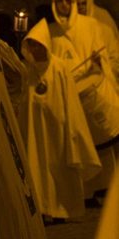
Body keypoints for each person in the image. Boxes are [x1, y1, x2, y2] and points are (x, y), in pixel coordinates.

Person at [19, 19, 100, 220]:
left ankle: (62, 209)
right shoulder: (28, 71)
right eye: (32, 45)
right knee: (38, 170)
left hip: (58, 131)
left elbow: (70, 102)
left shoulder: (60, 68)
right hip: (36, 133)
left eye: (39, 45)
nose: (36, 49)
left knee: (59, 172)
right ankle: (43, 210)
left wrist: (73, 132)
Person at [49, 0, 119, 200]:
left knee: (102, 146)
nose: (64, 4)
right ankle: (85, 192)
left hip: (91, 93)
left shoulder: (90, 25)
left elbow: (102, 55)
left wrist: (98, 66)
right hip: (68, 95)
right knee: (78, 145)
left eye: (67, 0)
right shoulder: (52, 31)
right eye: (60, 0)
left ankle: (106, 188)